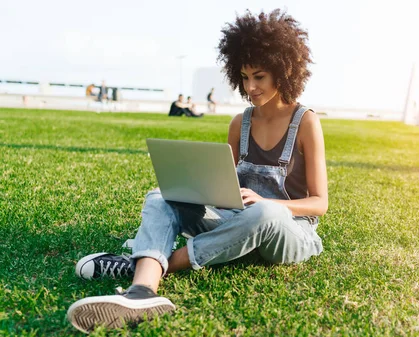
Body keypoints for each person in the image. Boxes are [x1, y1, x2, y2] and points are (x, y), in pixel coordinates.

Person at [67, 9, 327, 333]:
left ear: (283, 71)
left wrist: (265, 201)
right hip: (236, 225)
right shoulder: (240, 123)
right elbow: (223, 184)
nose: (250, 87)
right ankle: (142, 290)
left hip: (288, 231)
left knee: (266, 214)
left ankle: (153, 263)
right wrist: (197, 191)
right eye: (244, 77)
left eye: (258, 77)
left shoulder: (306, 122)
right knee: (162, 197)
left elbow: (319, 204)